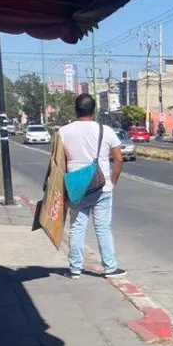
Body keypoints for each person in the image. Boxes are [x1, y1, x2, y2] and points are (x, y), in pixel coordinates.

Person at [59, 94, 126, 279]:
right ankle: (110, 268)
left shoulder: (63, 132)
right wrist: (113, 182)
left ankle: (75, 269)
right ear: (94, 110)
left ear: (75, 109)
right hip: (101, 185)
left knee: (77, 227)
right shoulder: (106, 131)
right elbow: (119, 159)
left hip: (76, 187)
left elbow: (58, 162)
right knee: (103, 228)